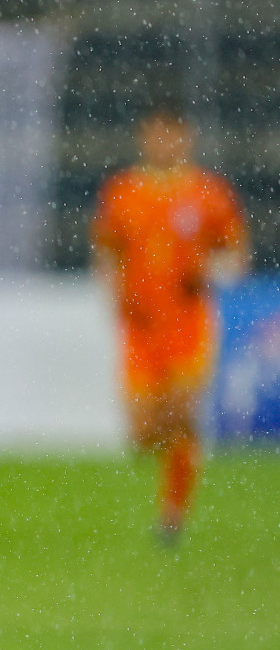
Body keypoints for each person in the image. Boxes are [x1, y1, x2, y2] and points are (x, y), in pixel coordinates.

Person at [92, 107, 249, 543]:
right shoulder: (122, 191)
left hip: (188, 325)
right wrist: (113, 292)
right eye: (156, 135)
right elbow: (107, 250)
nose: (164, 143)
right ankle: (187, 452)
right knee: (142, 434)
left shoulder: (209, 193)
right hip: (140, 329)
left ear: (186, 138)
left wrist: (208, 270)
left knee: (182, 412)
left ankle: (172, 515)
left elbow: (235, 257)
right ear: (145, 138)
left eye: (172, 135)